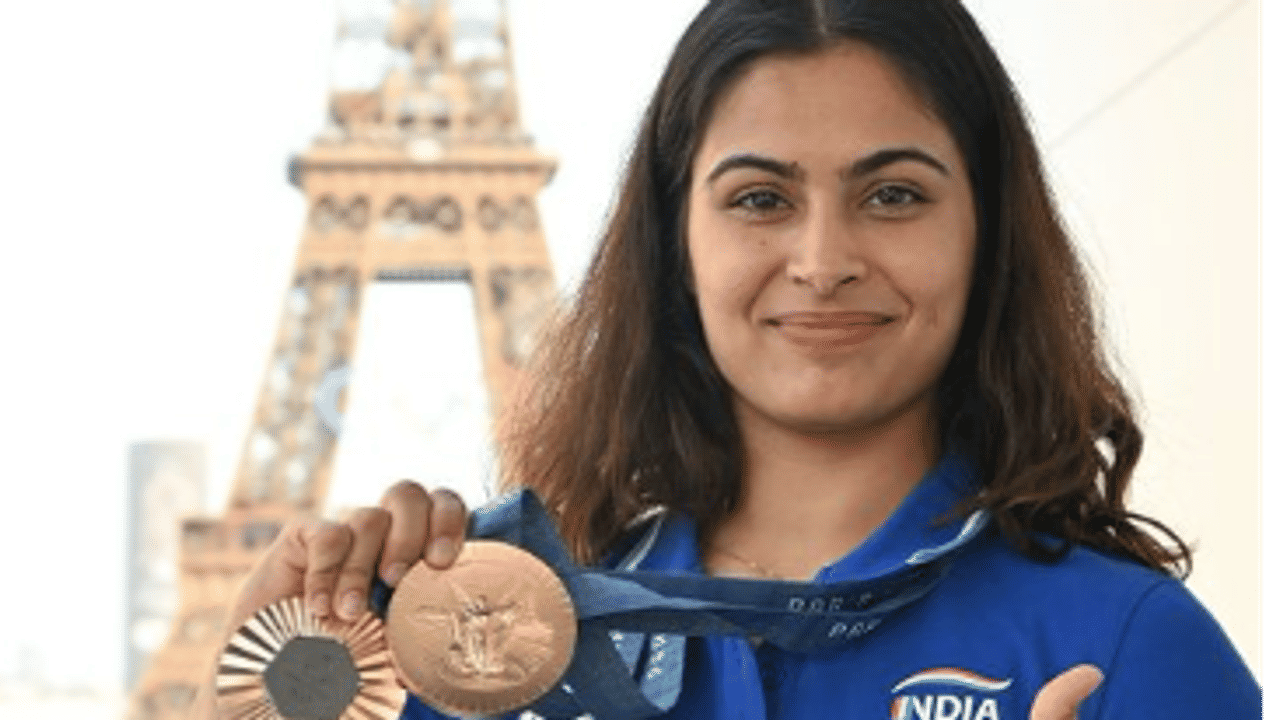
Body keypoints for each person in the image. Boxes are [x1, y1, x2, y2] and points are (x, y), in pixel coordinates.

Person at [194, 1, 1262, 718]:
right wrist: (255, 694)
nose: (822, 259)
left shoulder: (1131, 650)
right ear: (675, 245)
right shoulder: (476, 648)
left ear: (985, 233)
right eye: (759, 198)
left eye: (892, 195)